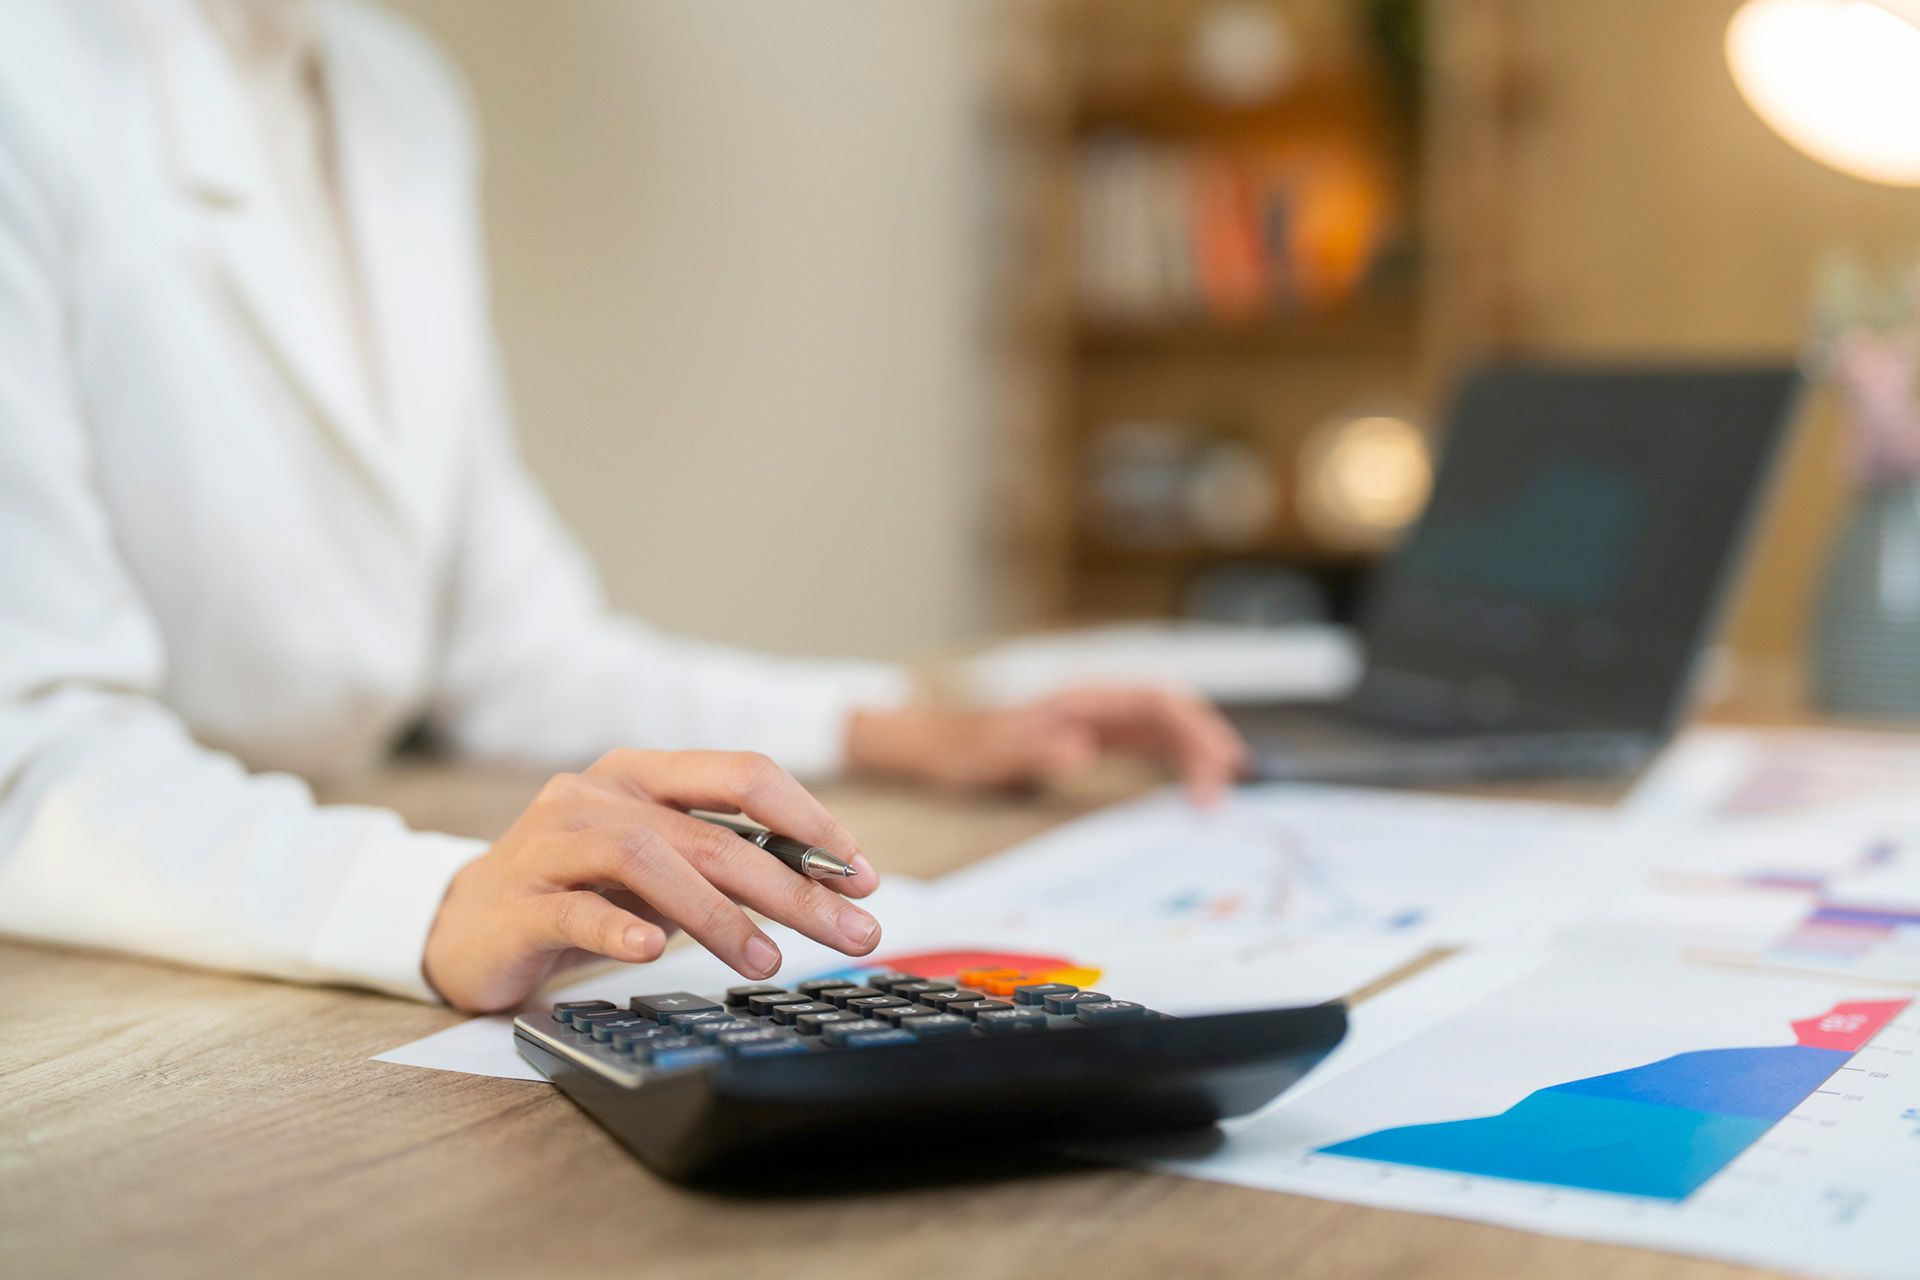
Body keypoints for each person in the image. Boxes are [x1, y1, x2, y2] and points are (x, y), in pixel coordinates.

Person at [0, 0, 1247, 1012]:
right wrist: (423, 903)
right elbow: (27, 757)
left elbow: (511, 653)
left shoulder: (395, 91)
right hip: (111, 986)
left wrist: (899, 727)